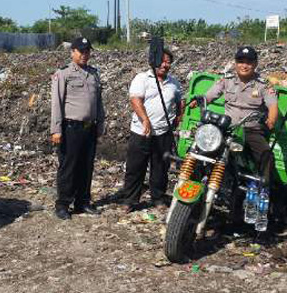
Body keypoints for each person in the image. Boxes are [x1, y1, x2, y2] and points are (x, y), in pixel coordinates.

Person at [116, 49, 183, 213]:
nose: (165, 65)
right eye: (162, 61)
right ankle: (130, 200)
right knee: (135, 167)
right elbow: (135, 100)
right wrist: (145, 119)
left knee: (161, 167)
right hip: (141, 132)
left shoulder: (173, 83)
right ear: (153, 61)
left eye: (168, 62)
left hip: (163, 132)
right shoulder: (142, 78)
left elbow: (179, 102)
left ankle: (158, 197)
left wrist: (177, 119)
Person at [201, 46, 278, 186]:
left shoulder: (263, 85)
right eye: (241, 61)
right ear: (235, 63)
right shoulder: (226, 80)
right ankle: (201, 179)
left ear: (255, 64)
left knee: (266, 155)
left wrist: (271, 119)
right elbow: (209, 95)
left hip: (251, 130)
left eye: (248, 62)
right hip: (228, 129)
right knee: (203, 147)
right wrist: (199, 100)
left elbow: (273, 105)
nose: (244, 65)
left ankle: (264, 189)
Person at [50, 37, 105, 220]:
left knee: (86, 166)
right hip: (70, 127)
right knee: (69, 167)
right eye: (81, 51)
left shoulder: (93, 74)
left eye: (87, 51)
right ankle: (63, 204)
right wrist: (56, 129)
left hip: (89, 128)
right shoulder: (64, 73)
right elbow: (56, 103)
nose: (84, 54)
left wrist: (100, 125)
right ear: (72, 52)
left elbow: (98, 102)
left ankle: (83, 201)